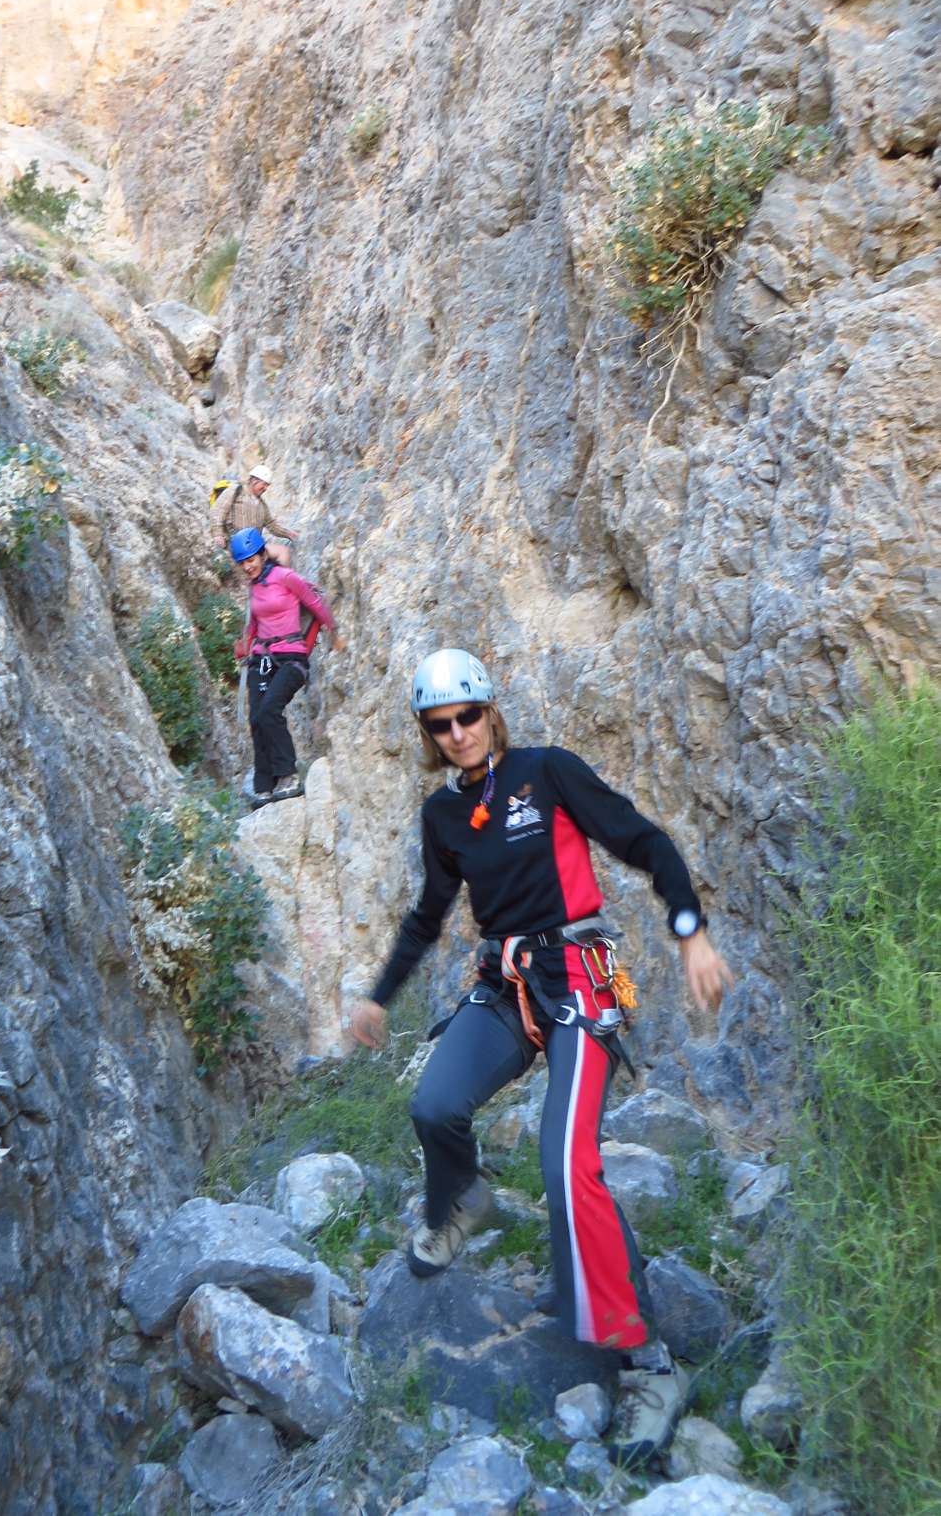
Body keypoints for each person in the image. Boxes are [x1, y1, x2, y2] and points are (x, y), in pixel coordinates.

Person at [348, 647, 733, 1467]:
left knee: (566, 1164)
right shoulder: (442, 816)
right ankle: (462, 1201)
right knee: (433, 1104)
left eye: (467, 716)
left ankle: (647, 1363)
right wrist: (378, 995)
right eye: (439, 724)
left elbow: (642, 840)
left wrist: (689, 930)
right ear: (427, 734)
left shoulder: (546, 773)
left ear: (490, 712)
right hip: (506, 984)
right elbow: (427, 914)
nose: (457, 733)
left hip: (578, 984)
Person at [229, 526, 344, 806]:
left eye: (251, 560)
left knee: (270, 710)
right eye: (242, 563)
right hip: (262, 657)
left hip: (292, 656)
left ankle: (288, 774)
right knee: (257, 719)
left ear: (262, 555)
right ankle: (263, 785)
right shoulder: (253, 587)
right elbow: (255, 623)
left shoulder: (286, 577)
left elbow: (315, 603)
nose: (247, 567)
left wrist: (334, 633)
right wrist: (245, 643)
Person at [212, 464, 298, 567]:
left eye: (267, 485)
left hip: (253, 545)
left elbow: (272, 525)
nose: (265, 488)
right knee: (280, 552)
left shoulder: (262, 504)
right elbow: (218, 510)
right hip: (235, 541)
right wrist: (218, 534)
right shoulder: (235, 491)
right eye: (264, 484)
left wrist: (288, 534)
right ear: (255, 481)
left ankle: (280, 576)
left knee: (281, 554)